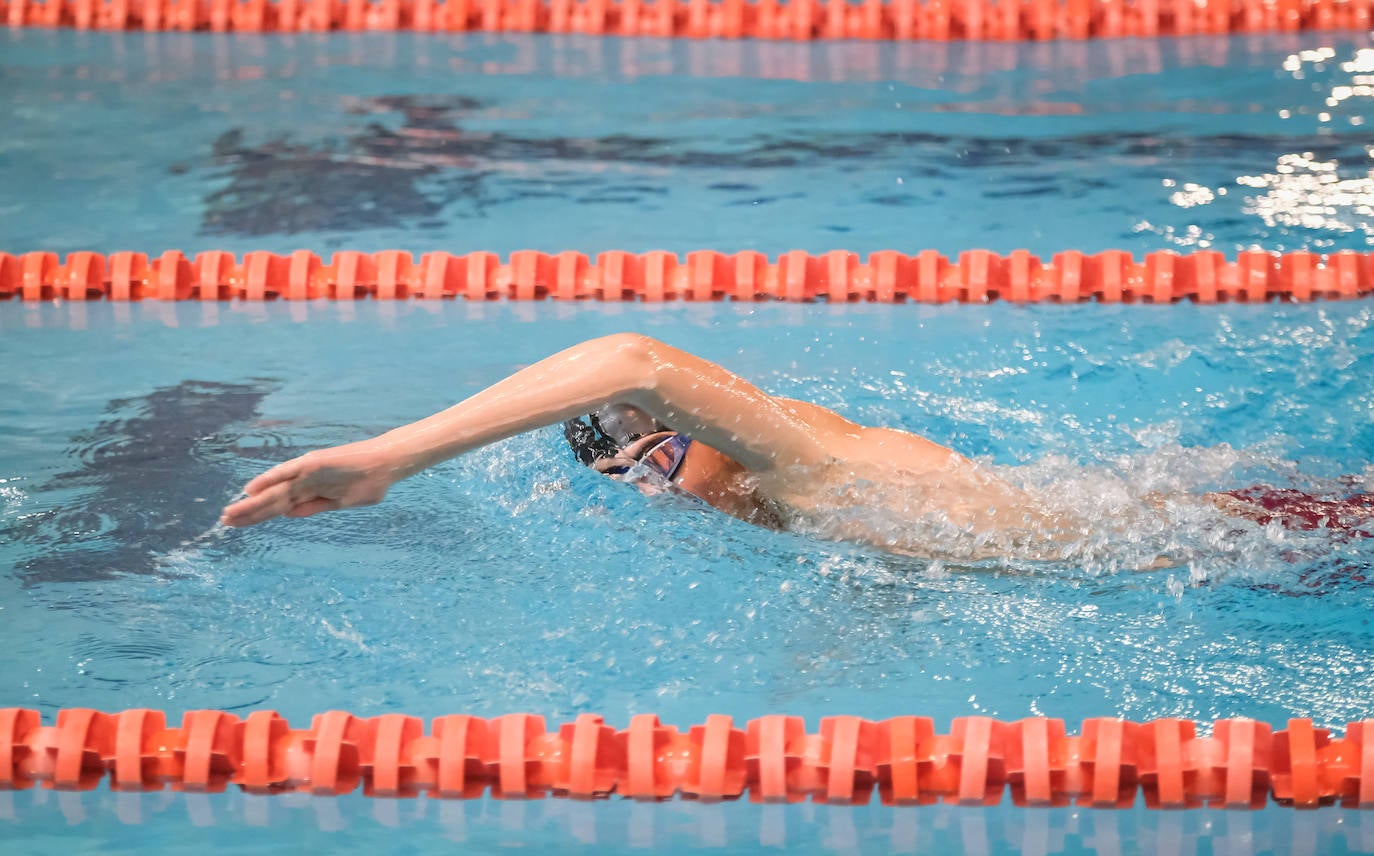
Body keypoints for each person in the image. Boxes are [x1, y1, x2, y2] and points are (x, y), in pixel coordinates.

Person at [220, 333, 1370, 560]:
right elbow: (898, 561)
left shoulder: (791, 461)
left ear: (697, 433)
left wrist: (400, 455)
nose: (664, 491)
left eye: (658, 459)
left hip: (1244, 540)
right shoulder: (789, 496)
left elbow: (630, 358)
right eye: (635, 485)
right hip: (1182, 521)